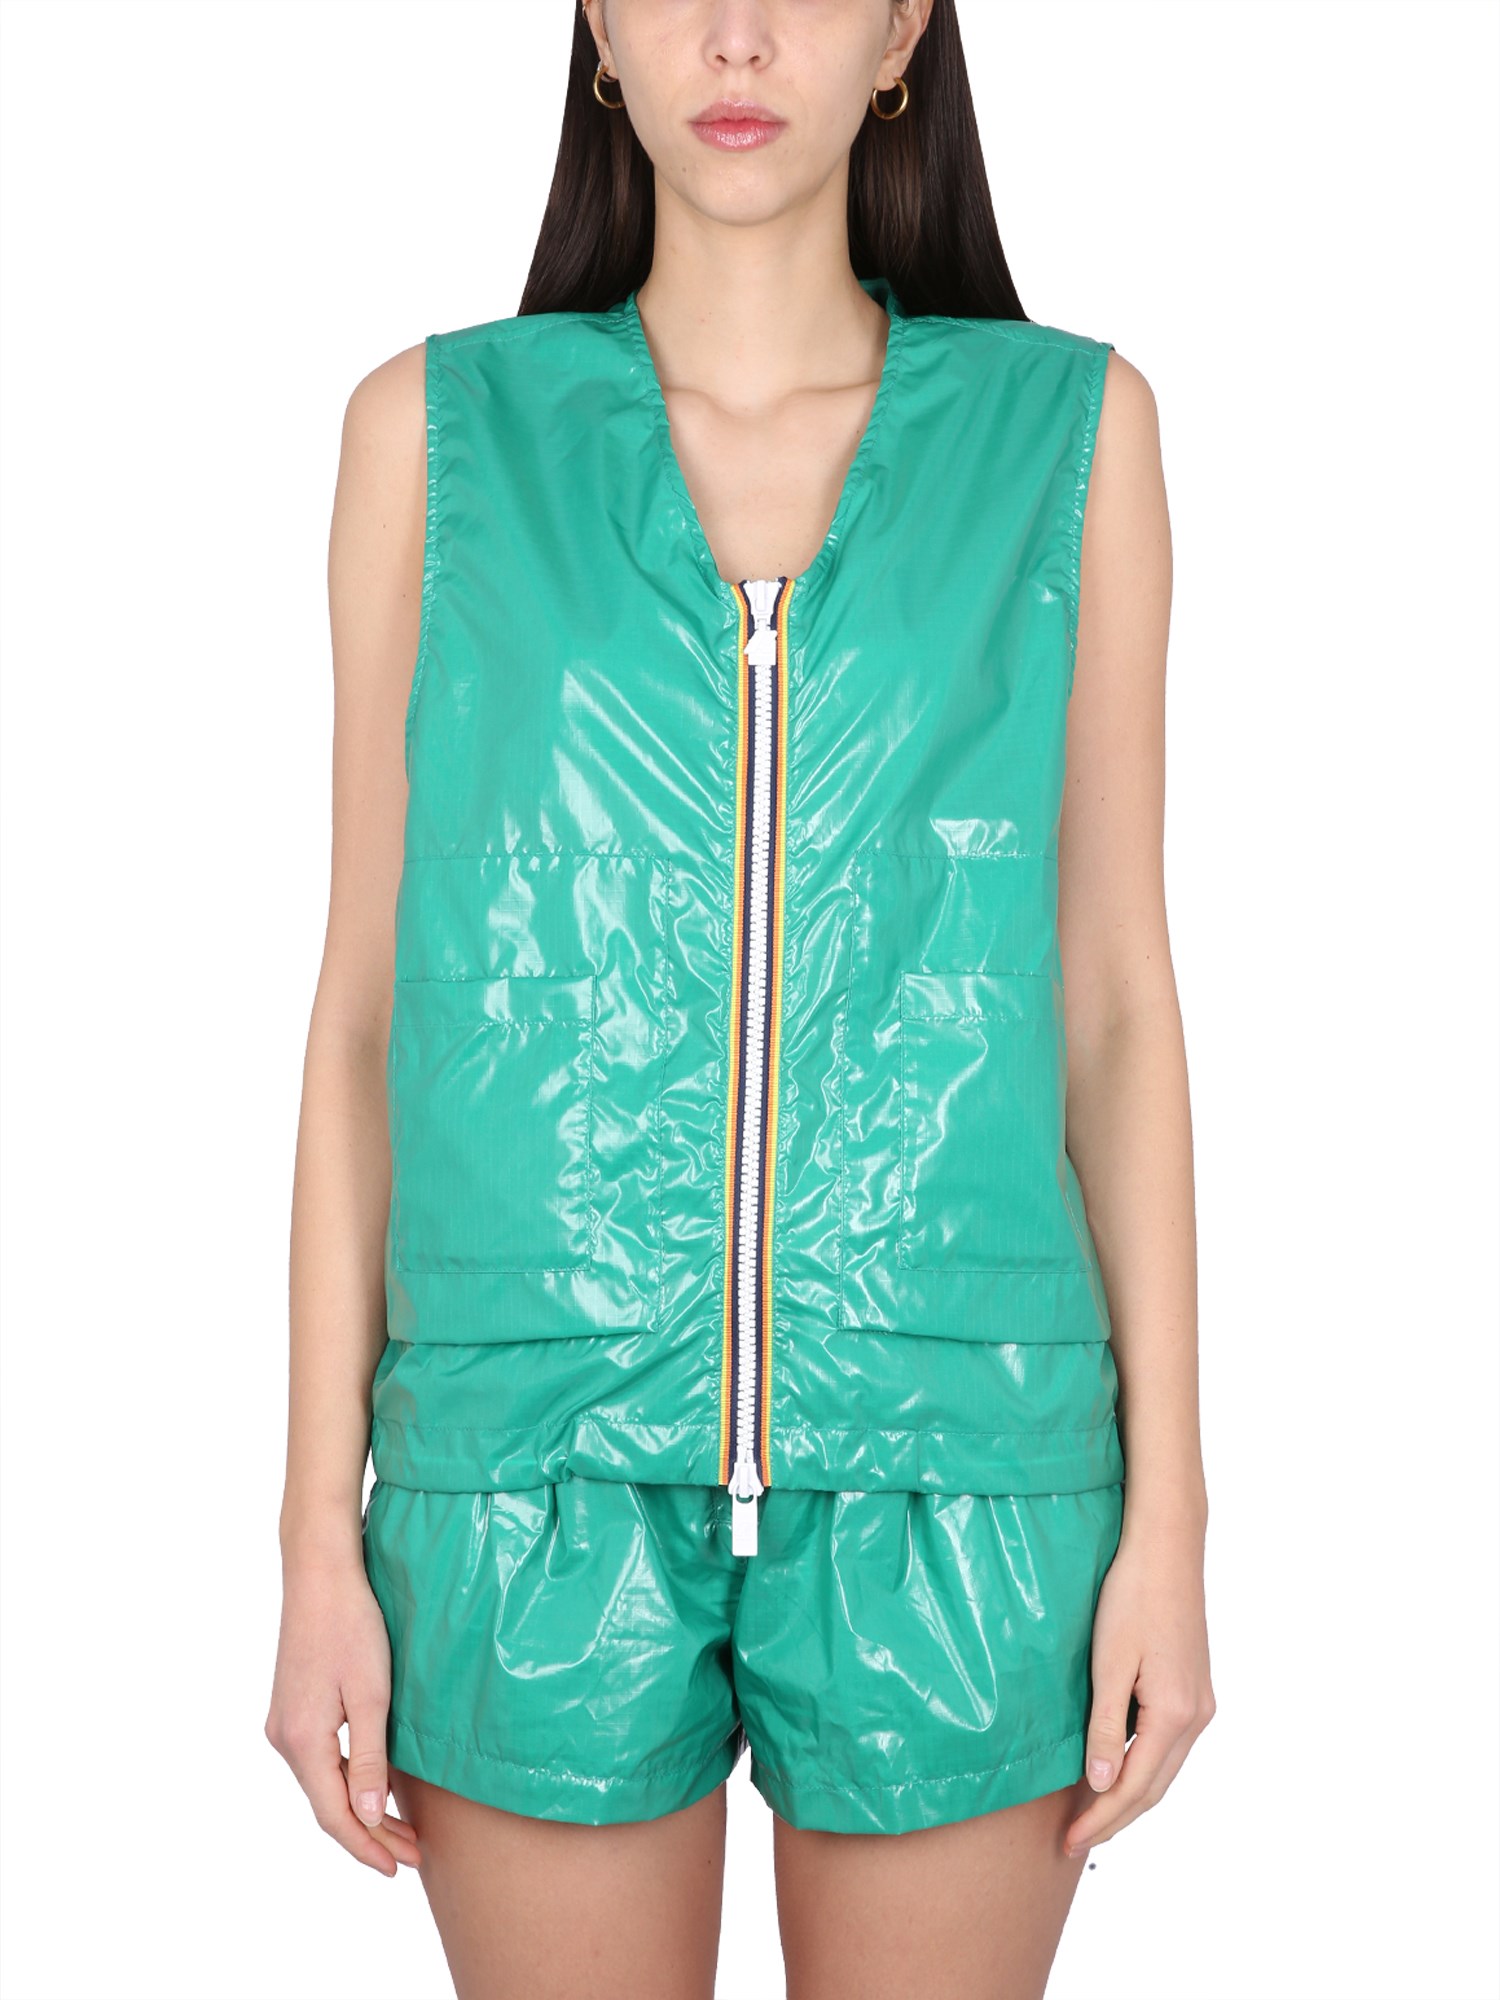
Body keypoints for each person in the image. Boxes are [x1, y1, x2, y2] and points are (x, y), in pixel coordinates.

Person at [265, 1, 1214, 1993]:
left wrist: (1172, 1527)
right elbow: (362, 1012)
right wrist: (312, 1542)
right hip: (524, 1474)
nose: (740, 31)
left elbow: (1116, 1002)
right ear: (598, 31)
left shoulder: (1069, 436)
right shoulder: (433, 439)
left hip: (964, 1465)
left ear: (904, 28)